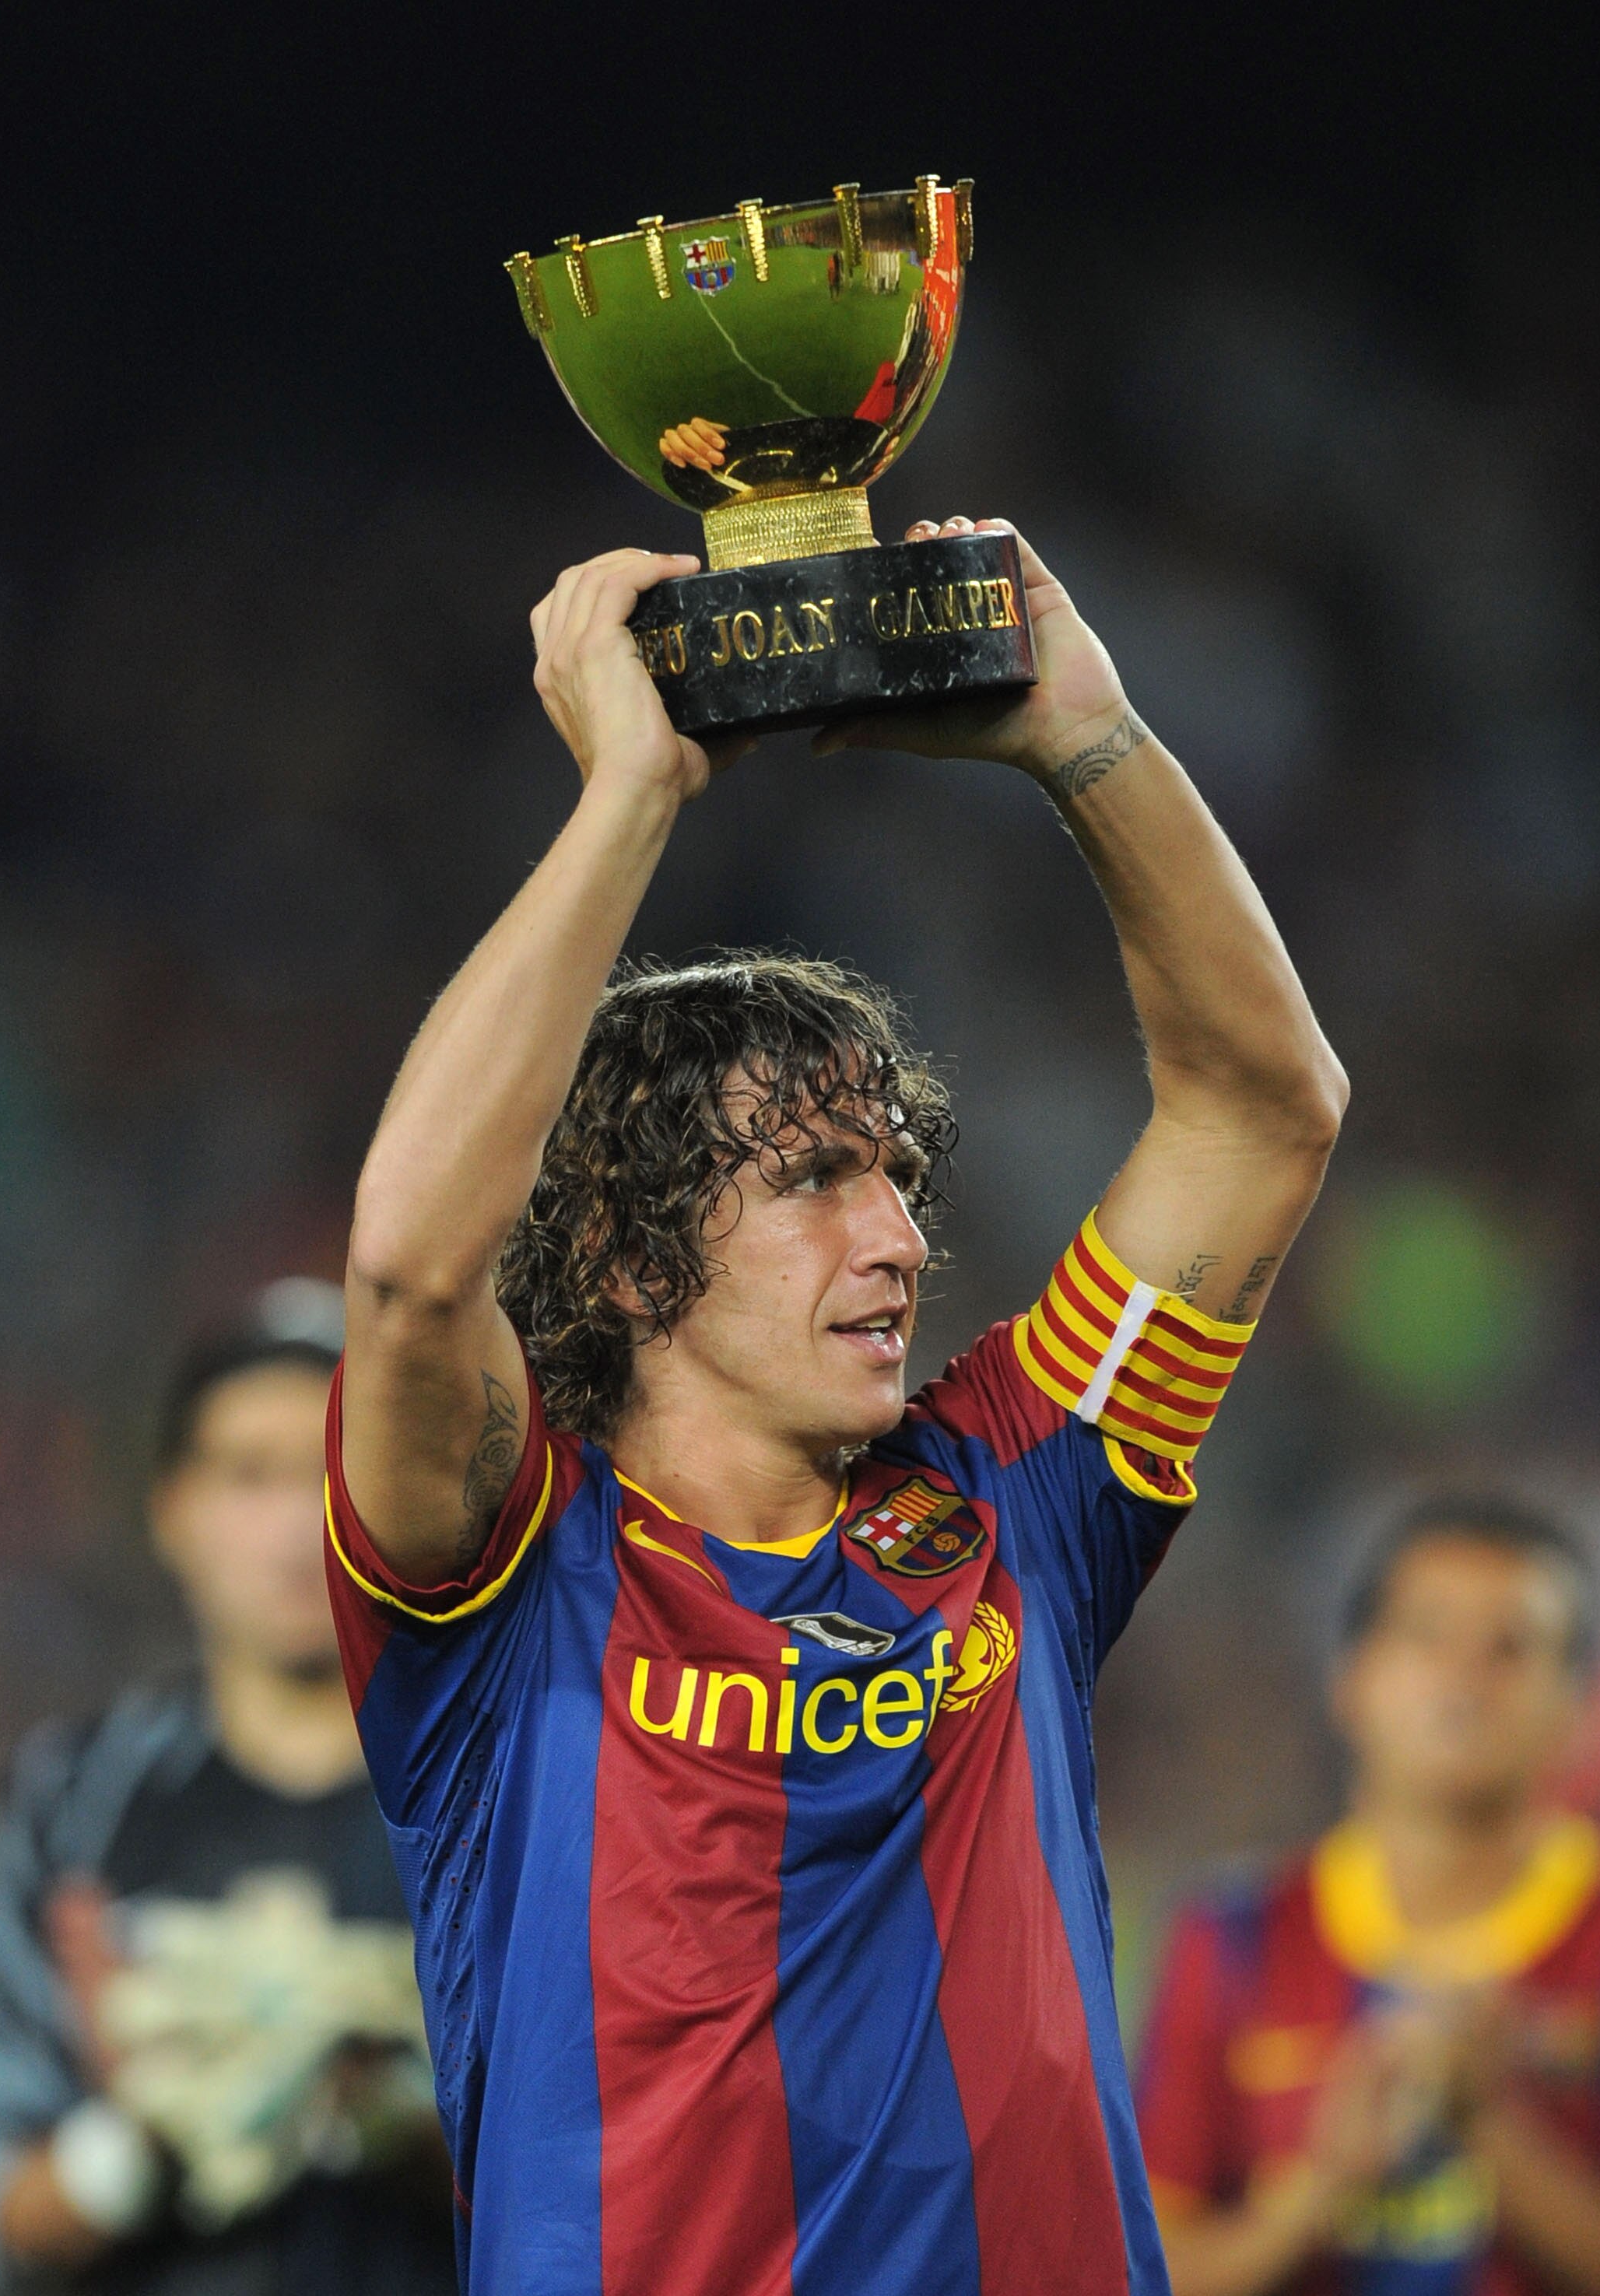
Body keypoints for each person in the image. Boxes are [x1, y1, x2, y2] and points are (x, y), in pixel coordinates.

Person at [326, 515, 1348, 2296]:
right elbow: (416, 1269)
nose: (897, 1237)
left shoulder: (1018, 1491)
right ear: (632, 1262)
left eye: (895, 1174)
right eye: (812, 1179)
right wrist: (628, 799)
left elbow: (1265, 1110)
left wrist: (1088, 740)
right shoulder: (505, 1576)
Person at [1135, 1492, 1600, 2296]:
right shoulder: (1232, 1933)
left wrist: (1494, 2135)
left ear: (1581, 1709)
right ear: (1351, 1679)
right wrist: (1318, 2192)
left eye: (1511, 1648)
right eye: (1427, 1635)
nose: (1464, 1679)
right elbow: (1138, 2270)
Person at [0, 1284, 456, 2296]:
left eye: (333, 1472)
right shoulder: (74, 1804)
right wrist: (128, 2151)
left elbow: (625, 2177)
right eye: (248, 1474)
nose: (294, 1524)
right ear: (171, 1510)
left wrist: (417, 2133)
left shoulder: (489, 1799)